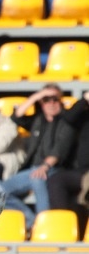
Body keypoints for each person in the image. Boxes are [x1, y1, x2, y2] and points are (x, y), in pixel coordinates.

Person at [2, 84, 76, 229]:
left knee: (37, 178)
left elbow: (59, 150)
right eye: (47, 99)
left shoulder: (67, 121)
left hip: (55, 169)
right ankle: (32, 221)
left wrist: (45, 166)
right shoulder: (37, 120)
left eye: (55, 99)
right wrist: (36, 96)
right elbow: (16, 117)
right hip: (33, 169)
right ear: (41, 102)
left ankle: (44, 226)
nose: (52, 103)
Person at [49, 91, 89, 221]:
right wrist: (84, 99)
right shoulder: (85, 115)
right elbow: (69, 118)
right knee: (56, 180)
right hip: (83, 172)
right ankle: (62, 227)